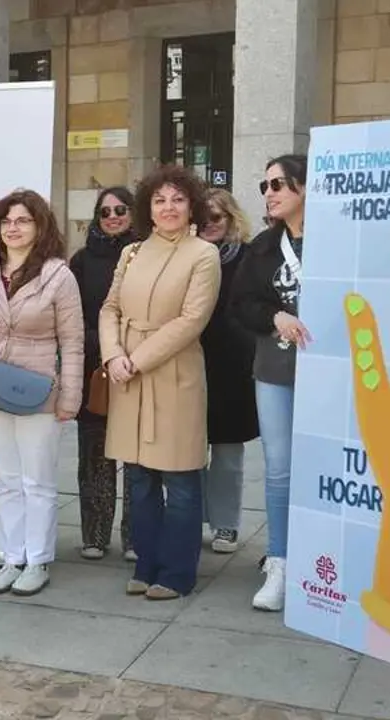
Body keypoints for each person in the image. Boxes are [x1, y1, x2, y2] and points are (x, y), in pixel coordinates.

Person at [0, 189, 85, 597]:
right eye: (7, 221)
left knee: (39, 481)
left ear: (40, 226)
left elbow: (74, 341)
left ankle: (38, 559)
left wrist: (70, 397)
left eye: (23, 220)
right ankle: (13, 557)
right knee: (7, 480)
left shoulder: (58, 275)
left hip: (39, 390)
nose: (14, 228)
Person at [100, 165, 220, 601]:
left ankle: (177, 571)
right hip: (127, 373)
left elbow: (192, 320)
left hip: (173, 374)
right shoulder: (131, 253)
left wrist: (137, 360)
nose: (168, 208)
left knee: (182, 479)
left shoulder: (203, 255)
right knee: (138, 477)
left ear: (191, 206)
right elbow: (110, 307)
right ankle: (145, 562)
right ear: (147, 207)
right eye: (159, 200)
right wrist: (114, 354)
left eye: (178, 200)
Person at [230, 154, 309, 612]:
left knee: (324, 466)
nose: (270, 192)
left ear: (305, 186)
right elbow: (240, 304)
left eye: (279, 183)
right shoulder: (262, 247)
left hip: (333, 375)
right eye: (264, 186)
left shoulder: (340, 238)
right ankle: (279, 559)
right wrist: (273, 315)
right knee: (279, 469)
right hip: (276, 372)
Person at [69, 186, 137, 562]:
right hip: (96, 367)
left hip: (141, 364)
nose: (113, 216)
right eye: (105, 211)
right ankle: (94, 535)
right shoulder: (81, 260)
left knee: (139, 460)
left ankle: (136, 537)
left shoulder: (147, 253)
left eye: (120, 209)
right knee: (94, 455)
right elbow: (71, 314)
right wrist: (104, 344)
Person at [199, 188, 259, 555]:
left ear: (231, 218)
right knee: (187, 452)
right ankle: (190, 518)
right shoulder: (184, 254)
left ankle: (225, 524)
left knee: (227, 453)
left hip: (233, 366)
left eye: (217, 218)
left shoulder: (248, 257)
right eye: (203, 219)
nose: (210, 225)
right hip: (189, 360)